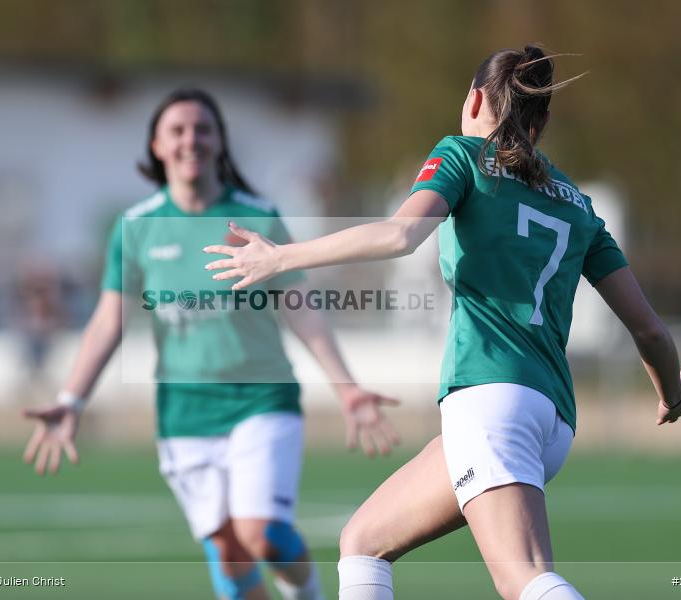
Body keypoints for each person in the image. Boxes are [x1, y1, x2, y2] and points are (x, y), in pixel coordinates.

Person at [203, 46, 681, 600]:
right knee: (363, 542)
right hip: (551, 416)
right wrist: (672, 394)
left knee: (523, 578)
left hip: (490, 400)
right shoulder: (579, 207)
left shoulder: (463, 156)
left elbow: (399, 235)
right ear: (542, 122)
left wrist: (280, 258)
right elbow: (649, 331)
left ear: (476, 99)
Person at [22, 88, 400, 600]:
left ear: (220, 141)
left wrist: (346, 387)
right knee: (228, 553)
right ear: (156, 146)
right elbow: (109, 320)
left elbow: (300, 308)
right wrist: (71, 399)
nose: (190, 140)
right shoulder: (137, 227)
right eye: (177, 130)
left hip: (261, 401)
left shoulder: (256, 217)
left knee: (262, 535)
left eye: (203, 129)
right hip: (183, 414)